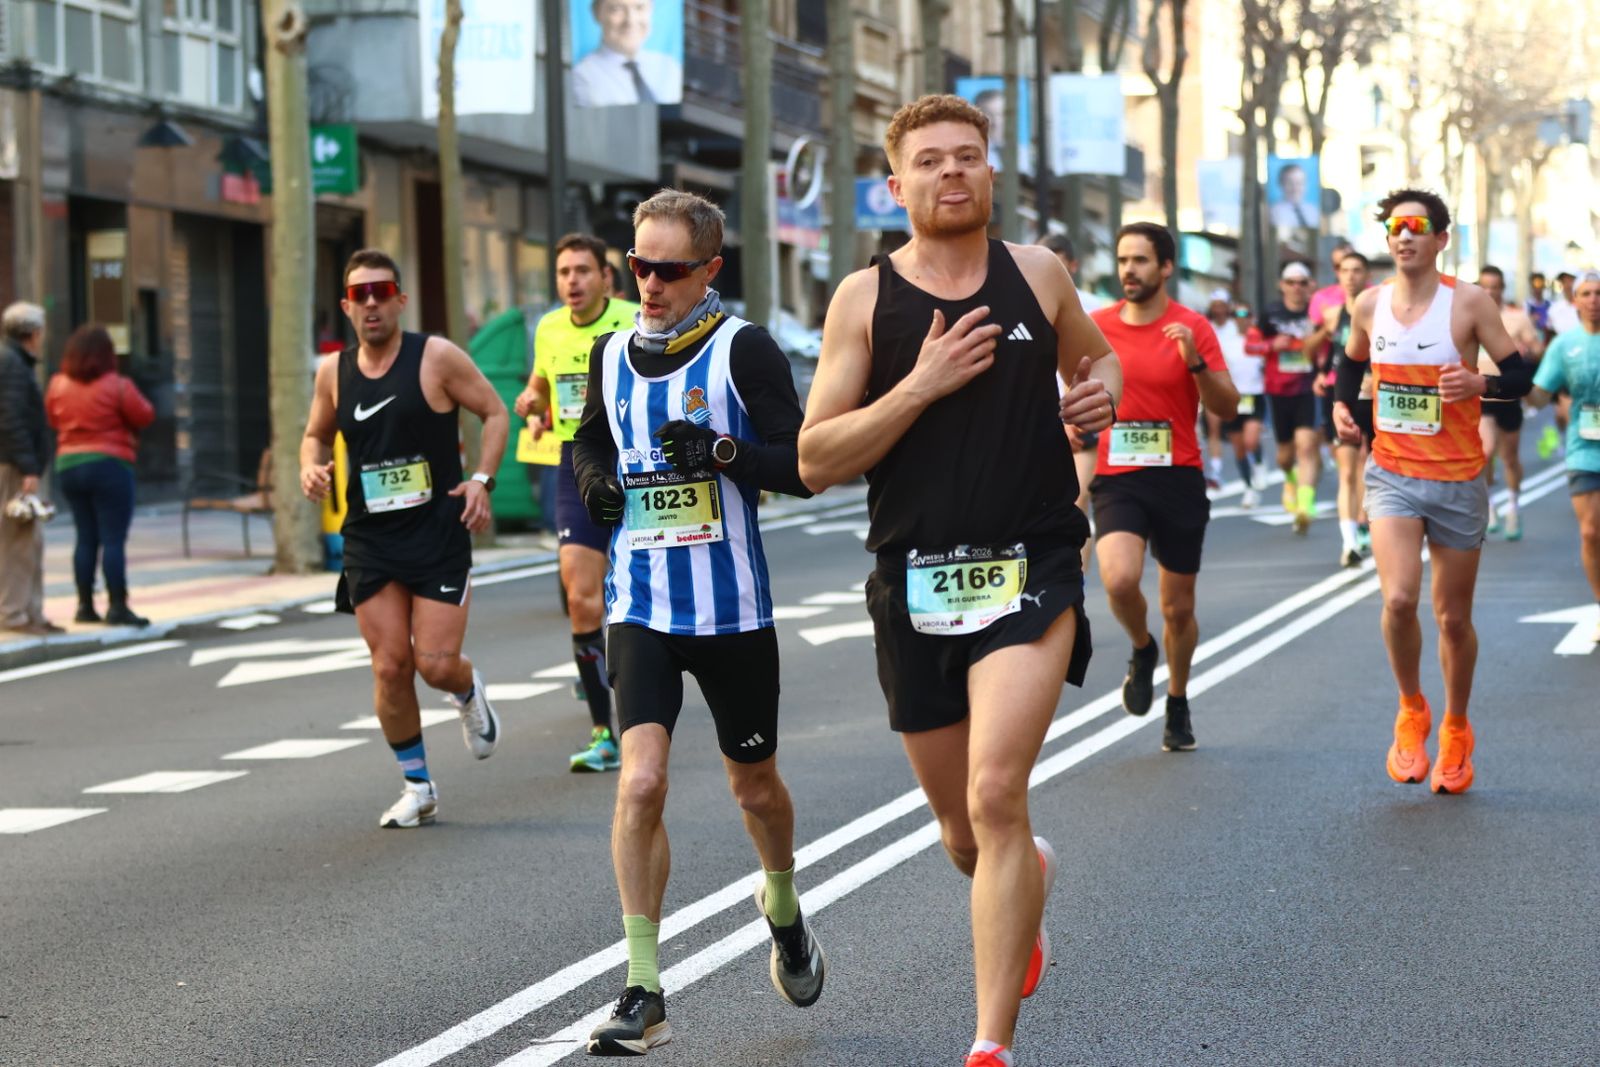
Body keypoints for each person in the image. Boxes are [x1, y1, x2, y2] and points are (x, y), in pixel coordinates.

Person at [799, 94, 1122, 1067]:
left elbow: (1097, 360)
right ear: (895, 185)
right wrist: (921, 383)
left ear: (990, 171)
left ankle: (990, 1043)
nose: (951, 171)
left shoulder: (1038, 273)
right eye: (931, 160)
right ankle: (1023, 884)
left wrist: (1097, 395)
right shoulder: (863, 300)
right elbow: (815, 458)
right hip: (914, 581)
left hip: (1032, 565)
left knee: (995, 789)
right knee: (961, 833)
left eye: (968, 156)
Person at [571, 189, 825, 1056]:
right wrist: (595, 480)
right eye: (639, 265)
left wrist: (723, 452)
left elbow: (801, 465)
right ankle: (644, 988)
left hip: (732, 610)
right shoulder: (610, 351)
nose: (648, 284)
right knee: (640, 781)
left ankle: (782, 903)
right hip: (640, 604)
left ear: (710, 270)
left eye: (669, 270)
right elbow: (591, 439)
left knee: (755, 787)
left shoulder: (743, 349)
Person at [1332, 189, 1536, 795]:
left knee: (1452, 619)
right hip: (1392, 473)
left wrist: (1479, 383)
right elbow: (1350, 365)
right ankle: (1411, 709)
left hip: (1458, 478)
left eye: (1417, 226)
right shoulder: (1370, 304)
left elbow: (1519, 374)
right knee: (1399, 600)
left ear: (1441, 239)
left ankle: (1455, 726)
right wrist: (1343, 408)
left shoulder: (1468, 302)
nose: (1404, 236)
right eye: (1395, 227)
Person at [299, 249, 509, 828]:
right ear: (346, 306)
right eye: (359, 294)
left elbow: (494, 412)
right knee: (390, 666)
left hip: (437, 531)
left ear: (400, 300)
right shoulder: (332, 372)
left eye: (381, 291)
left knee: (434, 664)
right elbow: (315, 435)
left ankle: (466, 690)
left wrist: (482, 481)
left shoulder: (436, 357)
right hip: (370, 538)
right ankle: (418, 786)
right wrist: (310, 467)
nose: (371, 302)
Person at [1089, 224, 1237, 750]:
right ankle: (1141, 646)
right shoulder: (1096, 327)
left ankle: (1177, 700)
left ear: (1166, 267)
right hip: (1118, 476)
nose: (1128, 270)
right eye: (1123, 260)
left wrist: (1195, 360)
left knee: (1178, 608)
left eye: (1141, 260)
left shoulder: (1193, 326)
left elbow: (1227, 406)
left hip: (1177, 476)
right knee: (1119, 579)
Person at [513, 234, 639, 772]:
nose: (572, 281)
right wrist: (530, 402)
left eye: (583, 271)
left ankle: (646, 689)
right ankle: (603, 733)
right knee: (581, 598)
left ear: (606, 278)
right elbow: (541, 386)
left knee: (640, 589)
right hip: (576, 460)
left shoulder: (633, 319)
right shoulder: (548, 327)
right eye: (564, 272)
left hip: (635, 458)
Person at [44, 325, 156, 626]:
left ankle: (84, 605)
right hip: (110, 465)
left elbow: (52, 418)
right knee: (113, 539)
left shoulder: (57, 385)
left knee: (85, 537)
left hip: (68, 465)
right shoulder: (118, 385)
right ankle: (117, 606)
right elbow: (145, 414)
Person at [1527, 268, 1600, 644]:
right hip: (1584, 446)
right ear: (1575, 301)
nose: (1594, 301)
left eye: (1599, 293)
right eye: (1586, 293)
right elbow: (1539, 395)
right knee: (1590, 532)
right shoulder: (1564, 345)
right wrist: (1514, 380)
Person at [1040, 232, 1104, 568]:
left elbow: (1108, 360)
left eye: (1058, 263)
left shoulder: (1094, 307)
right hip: (1035, 415)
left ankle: (1075, 584)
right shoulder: (1020, 299)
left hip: (1079, 414)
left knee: (1077, 501)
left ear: (1073, 266)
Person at [1308, 251, 1375, 566]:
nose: (1350, 276)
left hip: (1375, 396)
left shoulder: (1377, 309)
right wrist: (1321, 373)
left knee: (1368, 466)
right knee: (1347, 470)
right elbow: (1322, 351)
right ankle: (1349, 543)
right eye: (1345, 270)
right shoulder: (1333, 314)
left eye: (1357, 270)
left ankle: (1363, 523)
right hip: (1343, 396)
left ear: (1366, 274)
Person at [0, 301, 59, 636]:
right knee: (17, 540)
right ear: (34, 333)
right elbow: (10, 419)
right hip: (14, 466)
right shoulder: (11, 364)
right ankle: (14, 613)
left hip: (18, 462)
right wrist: (28, 467)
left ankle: (31, 611)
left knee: (30, 541)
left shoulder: (15, 361)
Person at [1475, 265, 1545, 541]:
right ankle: (1491, 504)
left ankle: (1514, 506)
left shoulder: (1516, 317)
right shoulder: (1470, 315)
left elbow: (1537, 350)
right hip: (1481, 394)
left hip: (1508, 394)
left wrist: (1528, 351)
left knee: (1510, 457)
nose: (1490, 291)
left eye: (1495, 287)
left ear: (1502, 289)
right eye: (1485, 286)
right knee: (1485, 451)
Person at [1260, 261, 1322, 532]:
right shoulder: (1270, 313)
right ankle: (1290, 478)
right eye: (1291, 282)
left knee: (1306, 446)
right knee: (1284, 456)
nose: (1297, 287)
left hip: (1308, 387)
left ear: (1310, 285)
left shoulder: (1317, 312)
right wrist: (1271, 344)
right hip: (1278, 390)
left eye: (1302, 282)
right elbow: (1250, 344)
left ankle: (1305, 506)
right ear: (1282, 285)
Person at [571, 0, 682, 107]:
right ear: (597, 14)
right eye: (616, 9)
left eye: (640, 7)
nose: (630, 21)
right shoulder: (581, 78)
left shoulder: (671, 68)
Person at [1223, 304, 1269, 507]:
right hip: (1233, 397)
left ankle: (1259, 462)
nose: (1241, 319)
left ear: (1252, 317)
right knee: (1239, 447)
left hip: (1254, 394)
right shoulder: (1226, 342)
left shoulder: (1259, 340)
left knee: (1251, 440)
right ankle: (1249, 489)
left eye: (1246, 315)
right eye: (1236, 315)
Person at [1200, 288, 1243, 491]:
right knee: (1214, 429)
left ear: (1227, 307)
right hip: (1214, 383)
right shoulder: (1205, 326)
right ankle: (1216, 472)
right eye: (1215, 305)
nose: (1218, 309)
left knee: (1241, 435)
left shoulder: (1236, 326)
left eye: (1222, 305)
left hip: (1240, 385)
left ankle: (1253, 464)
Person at [1269, 163, 1320, 230]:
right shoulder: (1273, 212)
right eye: (1290, 183)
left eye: (1299, 183)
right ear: (1280, 184)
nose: (1295, 188)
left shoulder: (1314, 211)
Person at [1549, 271, 1580, 336]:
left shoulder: (1586, 306)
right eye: (1564, 281)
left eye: (1570, 281)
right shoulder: (1554, 309)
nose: (1568, 285)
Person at [1526, 271, 1551, 338]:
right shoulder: (1525, 306)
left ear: (1544, 286)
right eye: (1535, 286)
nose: (1538, 290)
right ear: (1531, 287)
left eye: (1540, 286)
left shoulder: (1550, 306)